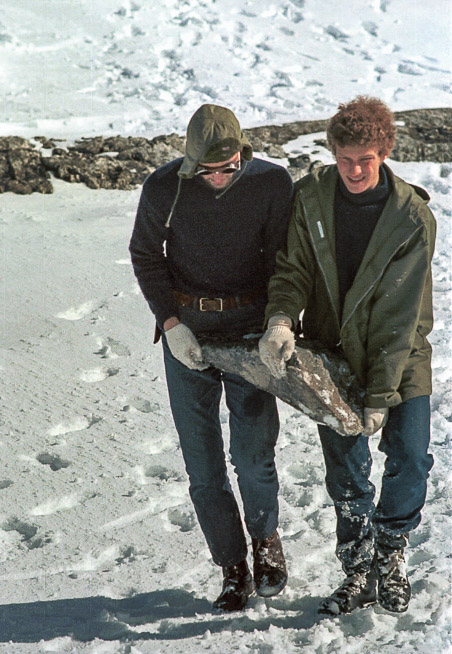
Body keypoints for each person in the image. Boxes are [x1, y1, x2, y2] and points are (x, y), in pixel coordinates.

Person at [259, 96, 436, 615]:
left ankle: (391, 553)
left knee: (408, 460)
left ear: (384, 152)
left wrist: (381, 396)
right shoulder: (310, 198)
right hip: (331, 357)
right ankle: (357, 567)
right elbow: (292, 270)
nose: (355, 170)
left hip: (400, 359)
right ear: (332, 152)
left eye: (366, 159)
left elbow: (398, 318)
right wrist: (280, 319)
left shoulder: (411, 218)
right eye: (345, 159)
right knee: (345, 469)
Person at [129, 104, 294, 611]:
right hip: (189, 333)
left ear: (244, 152)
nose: (219, 177)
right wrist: (170, 323)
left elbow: (285, 259)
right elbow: (144, 254)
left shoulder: (271, 183)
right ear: (189, 160)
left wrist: (280, 323)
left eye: (229, 167)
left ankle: (266, 543)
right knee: (203, 465)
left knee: (251, 454)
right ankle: (231, 565)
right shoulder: (164, 188)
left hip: (250, 332)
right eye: (208, 169)